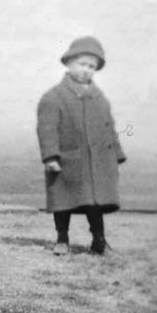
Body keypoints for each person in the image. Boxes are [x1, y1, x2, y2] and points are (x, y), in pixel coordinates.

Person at [36, 36, 125, 255]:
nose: (86, 70)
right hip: (68, 160)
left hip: (97, 161)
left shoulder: (99, 98)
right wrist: (50, 156)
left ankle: (99, 240)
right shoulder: (54, 97)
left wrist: (116, 154)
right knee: (63, 201)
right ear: (69, 63)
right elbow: (47, 129)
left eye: (92, 67)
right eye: (82, 64)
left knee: (95, 202)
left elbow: (109, 126)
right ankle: (62, 239)